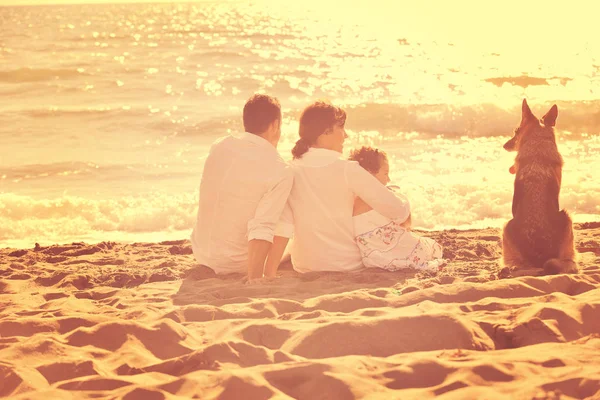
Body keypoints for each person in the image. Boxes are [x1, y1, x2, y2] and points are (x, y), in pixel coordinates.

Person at [264, 101, 411, 274]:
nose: (346, 135)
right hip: (346, 264)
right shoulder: (347, 169)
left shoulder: (290, 169)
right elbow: (397, 210)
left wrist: (269, 271)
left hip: (305, 265)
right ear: (325, 132)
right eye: (341, 128)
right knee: (391, 193)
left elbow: (284, 224)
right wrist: (403, 201)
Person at [190, 94, 293, 280]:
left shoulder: (220, 146)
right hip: (237, 262)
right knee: (287, 207)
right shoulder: (279, 168)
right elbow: (263, 225)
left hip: (202, 253)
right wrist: (255, 277)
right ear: (275, 125)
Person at [349, 146, 445, 272]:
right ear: (369, 173)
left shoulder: (353, 196)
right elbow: (402, 215)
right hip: (388, 250)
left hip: (372, 257)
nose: (388, 179)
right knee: (432, 248)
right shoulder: (376, 195)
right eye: (385, 173)